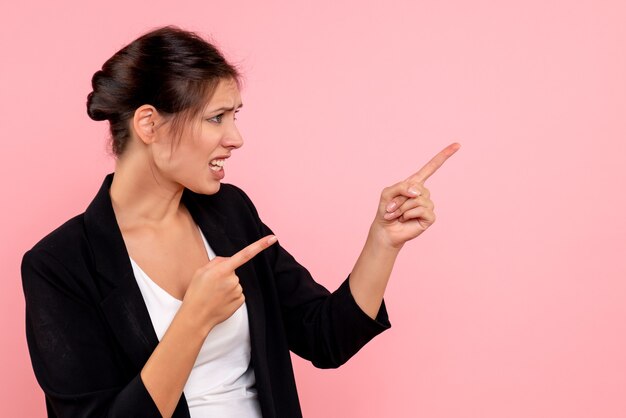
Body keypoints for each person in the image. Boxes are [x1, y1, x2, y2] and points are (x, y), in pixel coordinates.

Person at [21, 26, 460, 418]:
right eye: (216, 118)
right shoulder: (58, 264)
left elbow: (326, 338)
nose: (236, 139)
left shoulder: (231, 213)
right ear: (149, 124)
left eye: (235, 116)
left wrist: (383, 241)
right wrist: (194, 318)